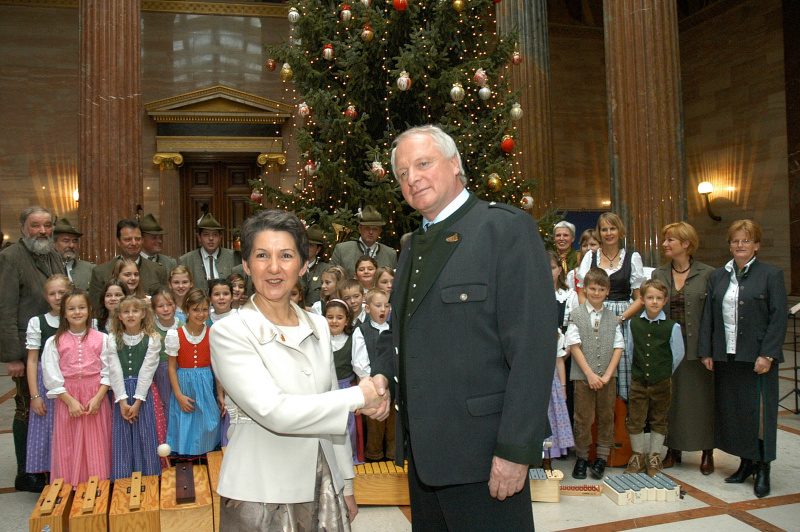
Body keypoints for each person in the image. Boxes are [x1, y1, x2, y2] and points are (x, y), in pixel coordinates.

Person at [370, 125, 556, 530]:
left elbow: (534, 351)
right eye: (402, 173)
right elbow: (397, 333)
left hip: (484, 459)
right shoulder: (410, 246)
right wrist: (384, 377)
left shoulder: (504, 229)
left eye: (423, 163)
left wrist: (515, 451)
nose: (412, 178)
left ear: (455, 164)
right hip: (424, 460)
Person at [209, 209, 385, 530]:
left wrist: (346, 481)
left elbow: (332, 415)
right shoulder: (229, 331)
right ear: (247, 264)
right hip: (260, 492)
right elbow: (274, 411)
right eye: (262, 255)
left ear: (304, 264)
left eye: (286, 255)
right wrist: (359, 397)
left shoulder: (317, 324)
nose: (274, 267)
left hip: (323, 482)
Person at [699, 219, 787, 499]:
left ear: (757, 245)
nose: (739, 246)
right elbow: (709, 317)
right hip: (728, 357)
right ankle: (745, 462)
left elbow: (778, 318)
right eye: (735, 241)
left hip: (758, 359)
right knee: (736, 413)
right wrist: (707, 350)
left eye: (746, 241)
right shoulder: (718, 277)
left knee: (760, 414)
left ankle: (763, 468)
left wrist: (768, 354)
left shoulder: (771, 275)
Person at [0, 205, 66, 492]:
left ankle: (45, 464)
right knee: (26, 408)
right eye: (36, 225)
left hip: (57, 343)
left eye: (47, 225)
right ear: (23, 229)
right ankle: (25, 473)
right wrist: (12, 356)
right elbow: (5, 309)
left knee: (49, 408)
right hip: (26, 349)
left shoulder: (54, 255)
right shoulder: (10, 258)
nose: (42, 231)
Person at [651, 222, 716, 474]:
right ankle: (673, 449)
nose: (665, 244)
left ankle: (707, 451)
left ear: (686, 244)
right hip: (668, 348)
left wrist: (710, 349)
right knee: (671, 400)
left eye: (671, 240)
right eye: (665, 240)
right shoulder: (659, 274)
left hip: (699, 349)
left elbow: (713, 316)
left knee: (702, 400)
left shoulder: (709, 274)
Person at [42, 289, 112, 486]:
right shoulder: (54, 342)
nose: (77, 312)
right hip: (68, 397)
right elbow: (52, 377)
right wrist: (70, 401)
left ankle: (98, 485)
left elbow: (109, 372)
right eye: (71, 309)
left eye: (81, 307)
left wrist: (98, 398)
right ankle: (69, 486)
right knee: (69, 443)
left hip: (95, 396)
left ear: (89, 310)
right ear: (64, 313)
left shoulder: (102, 339)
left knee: (95, 442)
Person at [577, 212, 647, 400]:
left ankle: (622, 418)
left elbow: (640, 298)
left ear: (620, 231)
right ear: (599, 232)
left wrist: (620, 318)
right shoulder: (590, 257)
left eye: (612, 228)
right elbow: (582, 291)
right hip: (593, 317)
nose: (608, 233)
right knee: (594, 363)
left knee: (622, 367)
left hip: (621, 317)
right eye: (604, 229)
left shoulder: (632, 258)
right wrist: (590, 316)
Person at [565, 268, 624, 480]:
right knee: (583, 417)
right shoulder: (577, 315)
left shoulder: (613, 318)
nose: (596, 293)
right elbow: (574, 345)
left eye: (601, 289)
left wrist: (608, 375)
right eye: (592, 288)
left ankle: (601, 457)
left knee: (606, 416)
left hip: (607, 377)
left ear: (608, 291)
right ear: (585, 289)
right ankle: (581, 457)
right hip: (583, 378)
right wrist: (589, 374)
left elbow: (618, 347)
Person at [623, 279, 685, 477]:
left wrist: (664, 371)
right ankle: (637, 456)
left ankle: (654, 457)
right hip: (639, 381)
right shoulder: (634, 324)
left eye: (659, 298)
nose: (654, 302)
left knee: (659, 419)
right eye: (650, 298)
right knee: (635, 419)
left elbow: (677, 354)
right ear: (642, 299)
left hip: (662, 381)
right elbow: (631, 350)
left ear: (665, 300)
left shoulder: (671, 326)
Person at [106, 296, 163, 481]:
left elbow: (147, 370)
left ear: (143, 314)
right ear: (119, 316)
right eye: (126, 311)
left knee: (146, 435)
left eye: (135, 311)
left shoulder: (152, 339)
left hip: (143, 393)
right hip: (121, 391)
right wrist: (122, 400)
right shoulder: (112, 339)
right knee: (122, 437)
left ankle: (150, 478)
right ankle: (123, 481)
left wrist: (138, 401)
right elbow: (114, 370)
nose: (131, 315)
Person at [165, 288, 223, 457]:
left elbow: (217, 367)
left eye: (205, 309)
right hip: (184, 386)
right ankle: (186, 466)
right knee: (185, 424)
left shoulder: (212, 334)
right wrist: (179, 395)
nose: (201, 314)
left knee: (209, 425)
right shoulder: (176, 335)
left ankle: (206, 463)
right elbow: (171, 367)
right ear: (186, 311)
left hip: (206, 386)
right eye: (196, 310)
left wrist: (220, 395)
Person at [25, 274, 72, 477]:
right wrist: (35, 395)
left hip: (72, 384)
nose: (57, 297)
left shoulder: (79, 318)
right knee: (48, 431)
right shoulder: (38, 322)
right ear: (46, 297)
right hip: (46, 386)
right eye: (52, 294)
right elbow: (32, 361)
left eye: (62, 292)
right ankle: (51, 474)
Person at [351, 289, 395, 463]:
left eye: (387, 306)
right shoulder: (361, 331)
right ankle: (374, 458)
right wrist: (375, 388)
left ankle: (393, 458)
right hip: (373, 391)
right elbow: (359, 363)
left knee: (393, 427)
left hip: (394, 388)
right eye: (378, 306)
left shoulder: (394, 330)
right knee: (375, 426)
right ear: (368, 309)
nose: (383, 309)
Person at [89, 219, 167, 306]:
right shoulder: (101, 272)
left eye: (137, 239)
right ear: (118, 241)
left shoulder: (157, 270)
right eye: (128, 239)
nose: (134, 243)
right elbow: (96, 310)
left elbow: (164, 305)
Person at [326, 298, 362, 465]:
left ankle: (350, 460)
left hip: (346, 389)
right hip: (325, 390)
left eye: (339, 317)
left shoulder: (353, 338)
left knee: (349, 428)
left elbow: (359, 367)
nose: (334, 321)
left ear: (347, 320)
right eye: (330, 317)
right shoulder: (320, 340)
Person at [178, 213, 242, 293]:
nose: (211, 238)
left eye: (215, 235)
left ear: (220, 237)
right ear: (199, 237)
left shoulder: (233, 257)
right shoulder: (186, 261)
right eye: (206, 235)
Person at [330, 205, 397, 277]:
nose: (371, 232)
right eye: (367, 228)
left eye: (375, 229)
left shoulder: (390, 254)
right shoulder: (342, 250)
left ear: (380, 231)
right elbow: (332, 278)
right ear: (359, 229)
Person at [151, 286, 184, 421]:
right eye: (160, 306)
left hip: (180, 374)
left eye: (169, 305)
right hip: (159, 375)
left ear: (175, 306)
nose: (165, 309)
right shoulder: (150, 328)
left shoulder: (183, 326)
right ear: (153, 309)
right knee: (164, 411)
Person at [53, 218, 95, 291]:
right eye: (66, 241)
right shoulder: (47, 268)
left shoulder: (90, 269)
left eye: (74, 241)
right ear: (53, 244)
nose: (71, 245)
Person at [301, 224, 329, 306]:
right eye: (305, 244)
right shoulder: (292, 267)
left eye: (311, 245)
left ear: (318, 249)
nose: (306, 248)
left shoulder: (326, 270)